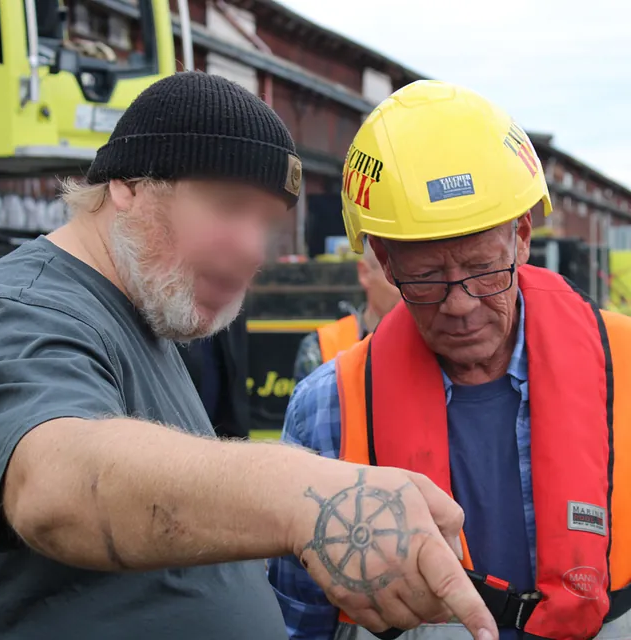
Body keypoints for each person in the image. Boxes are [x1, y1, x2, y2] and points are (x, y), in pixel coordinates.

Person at [0, 72, 499, 640]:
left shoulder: (146, 312)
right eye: (228, 206)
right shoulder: (25, 305)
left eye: (266, 224)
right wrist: (310, 493)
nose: (254, 249)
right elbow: (52, 485)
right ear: (125, 185)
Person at [268, 80, 631, 640]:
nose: (460, 305)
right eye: (427, 278)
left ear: (523, 236)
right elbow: (299, 622)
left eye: (484, 270)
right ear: (385, 263)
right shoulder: (327, 409)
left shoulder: (625, 368)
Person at [293, 239, 400, 381]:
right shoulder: (321, 346)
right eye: (396, 274)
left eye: (418, 276)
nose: (409, 288)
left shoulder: (431, 342)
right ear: (365, 273)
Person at [176, 309, 251, 439]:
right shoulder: (168, 310)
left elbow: (236, 380)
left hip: (222, 436)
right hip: (178, 435)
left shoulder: (231, 313)